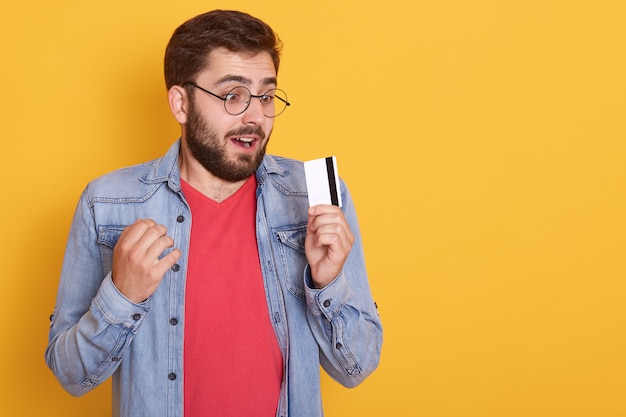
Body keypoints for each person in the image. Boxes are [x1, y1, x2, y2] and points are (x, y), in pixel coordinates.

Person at [45, 9, 382, 417]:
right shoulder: (108, 203)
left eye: (266, 95)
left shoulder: (317, 196)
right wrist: (122, 294)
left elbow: (356, 368)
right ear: (181, 103)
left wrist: (325, 283)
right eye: (233, 95)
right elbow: (70, 375)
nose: (255, 115)